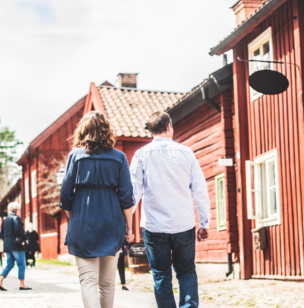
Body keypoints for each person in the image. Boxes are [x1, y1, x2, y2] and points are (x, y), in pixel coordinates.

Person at [130, 111, 210, 308]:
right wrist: (204, 222)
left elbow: (133, 193)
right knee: (186, 271)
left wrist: (125, 224)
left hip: (154, 226)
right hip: (183, 224)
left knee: (161, 275)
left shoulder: (141, 154)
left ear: (151, 131)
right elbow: (199, 190)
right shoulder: (186, 152)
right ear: (169, 127)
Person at [60, 111, 135, 308]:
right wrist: (129, 228)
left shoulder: (75, 156)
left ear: (82, 131)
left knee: (88, 280)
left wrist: (74, 217)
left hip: (82, 222)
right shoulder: (119, 157)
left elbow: (65, 195)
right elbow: (127, 197)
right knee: (108, 283)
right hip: (112, 220)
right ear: (106, 130)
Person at [0, 202, 31, 291]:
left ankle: (0, 281)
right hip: (16, 245)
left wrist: (6, 241)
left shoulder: (5, 220)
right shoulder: (16, 218)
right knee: (21, 264)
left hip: (7, 245)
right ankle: (22, 284)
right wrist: (25, 238)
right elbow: (19, 231)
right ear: (18, 210)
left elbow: (1, 233)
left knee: (10, 264)